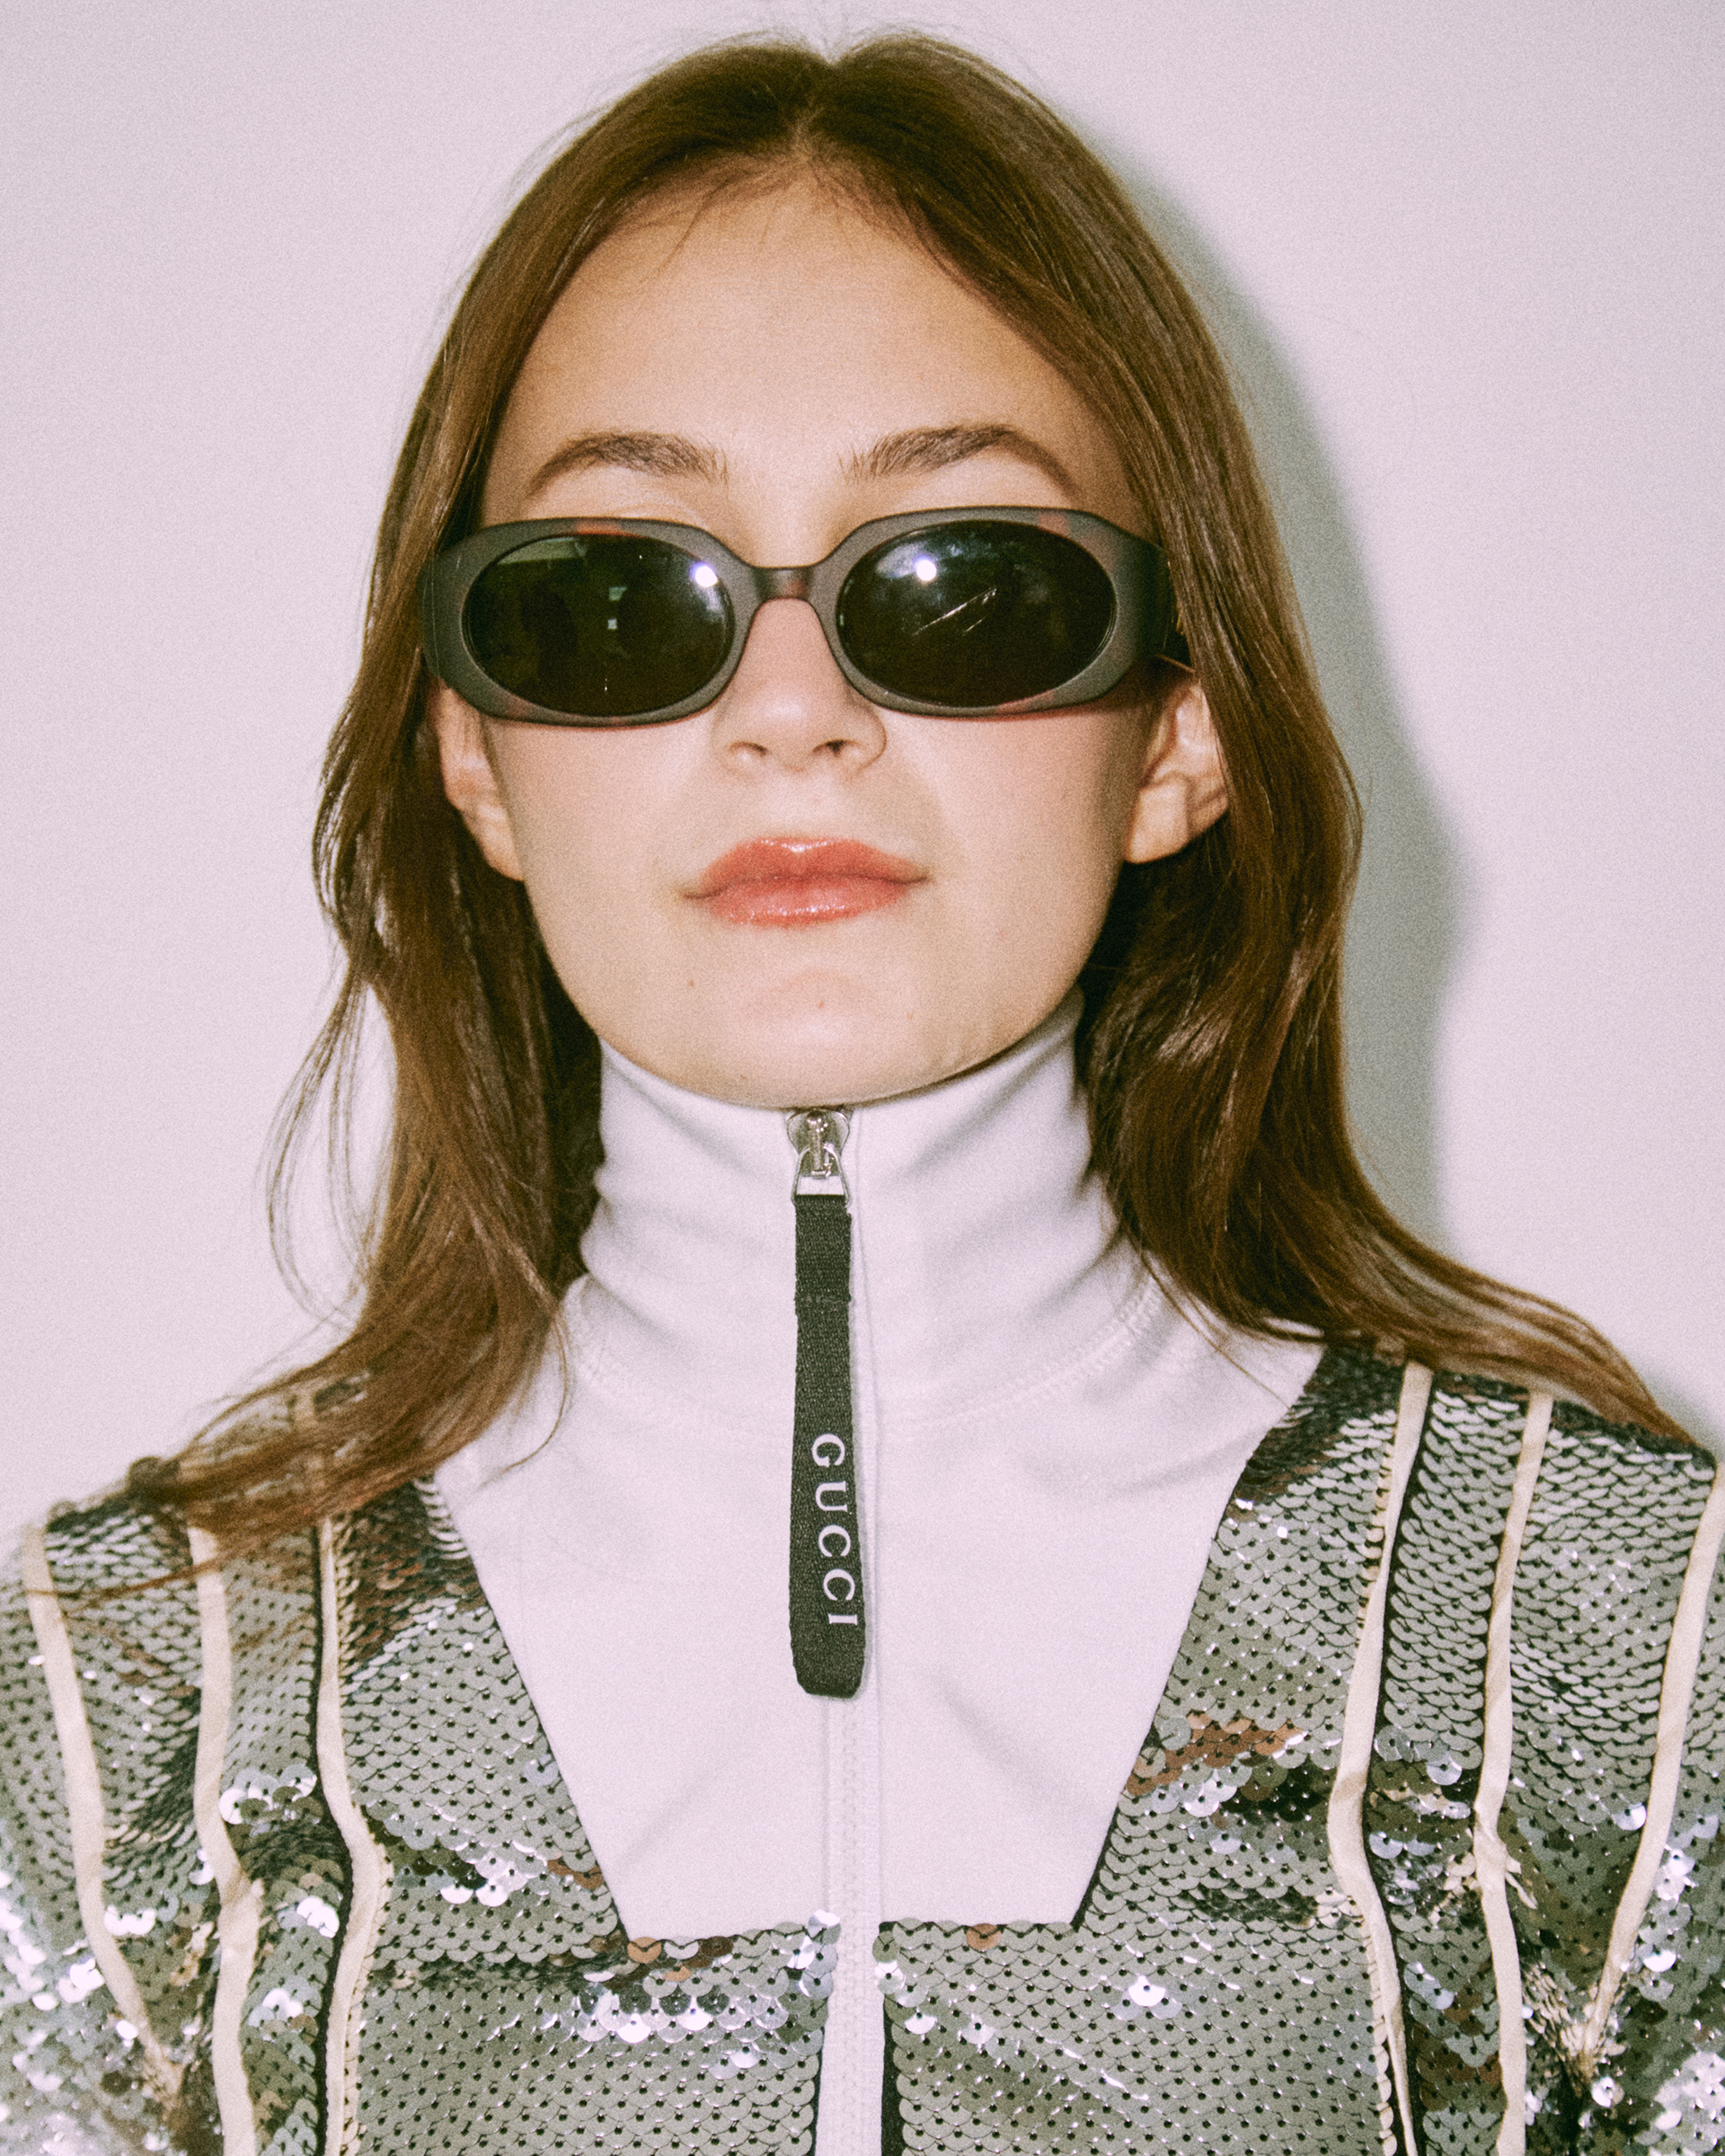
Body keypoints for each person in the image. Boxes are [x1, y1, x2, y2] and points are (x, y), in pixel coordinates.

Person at [4, 33, 1719, 2156]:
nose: (792, 711)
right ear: (475, 758)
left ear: (1179, 729)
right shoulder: (115, 1718)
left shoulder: (1629, 1643)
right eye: (620, 600)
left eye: (963, 588)